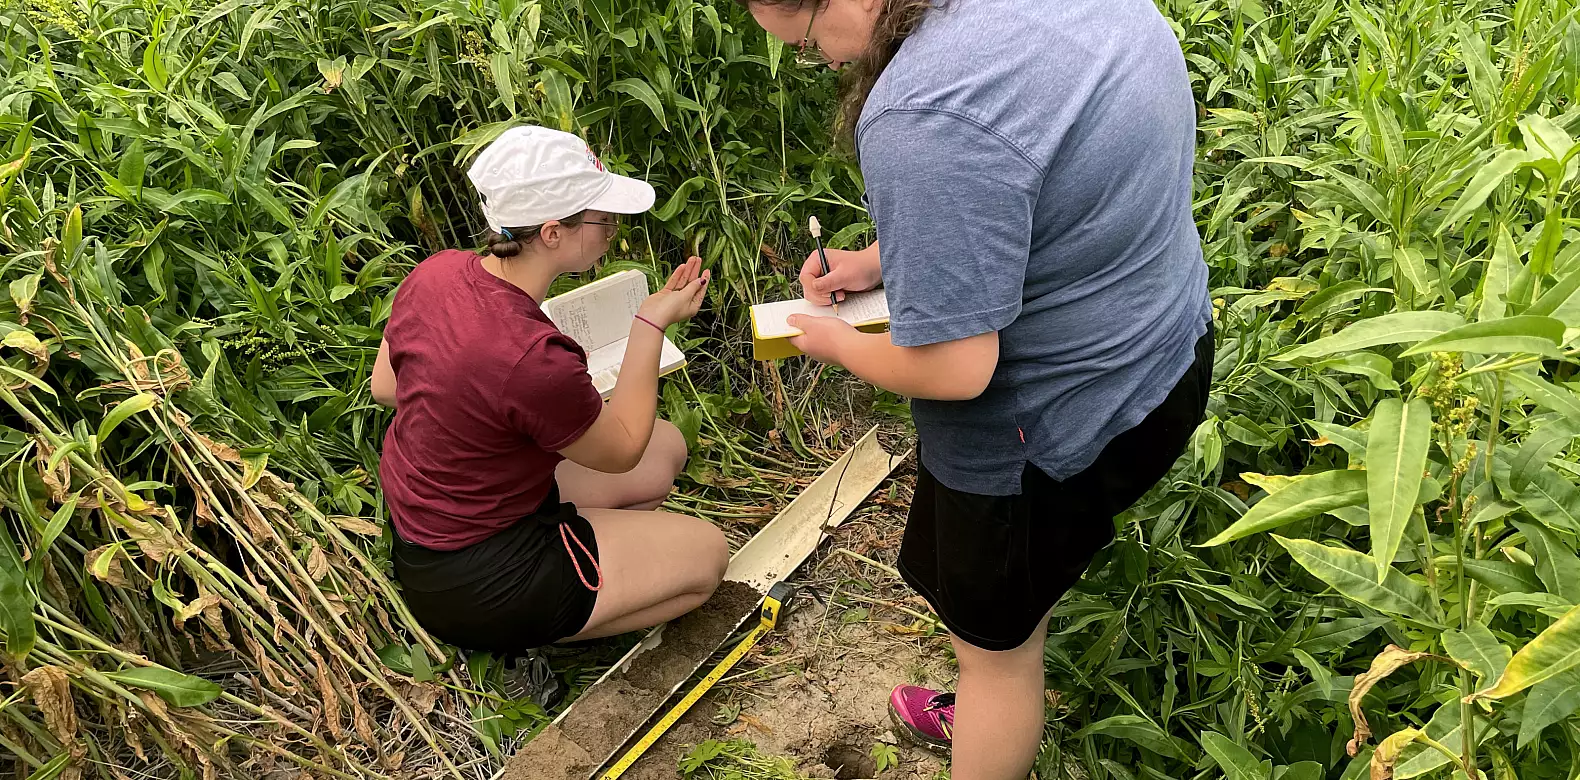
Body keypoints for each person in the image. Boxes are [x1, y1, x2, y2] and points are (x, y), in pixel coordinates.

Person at [737, 0, 1212, 778]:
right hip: (1166, 355)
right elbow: (1029, 170)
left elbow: (958, 371)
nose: (822, 60)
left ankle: (993, 709)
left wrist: (828, 341)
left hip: (1052, 435)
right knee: (1026, 588)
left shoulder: (919, 113)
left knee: (994, 656)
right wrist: (882, 260)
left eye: (807, 41)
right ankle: (1009, 655)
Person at [372, 126, 730, 669]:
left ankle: (595, 563)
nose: (613, 229)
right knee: (708, 558)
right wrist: (651, 321)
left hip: (437, 526)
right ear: (552, 232)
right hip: (483, 574)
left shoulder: (435, 273)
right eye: (601, 218)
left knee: (669, 449)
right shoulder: (530, 358)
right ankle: (528, 634)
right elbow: (623, 446)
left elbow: (386, 387)